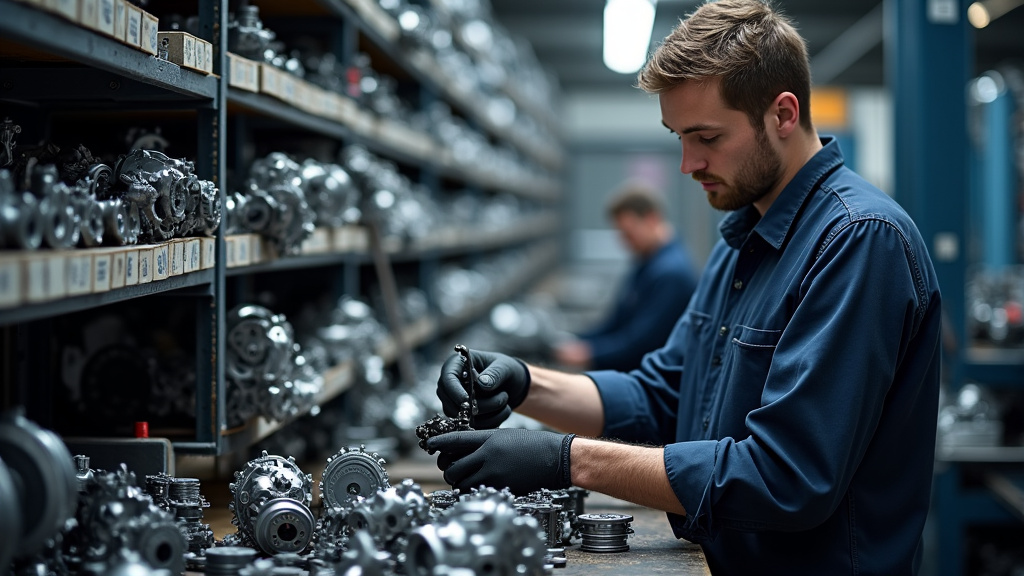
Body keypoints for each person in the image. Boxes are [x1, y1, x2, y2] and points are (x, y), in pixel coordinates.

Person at [426, 0, 942, 574]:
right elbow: (663, 395)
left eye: (706, 137)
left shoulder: (858, 241)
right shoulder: (741, 240)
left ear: (784, 114)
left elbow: (787, 476)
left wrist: (565, 460)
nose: (687, 163)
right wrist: (524, 382)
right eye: (677, 136)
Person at [554, 182, 699, 371]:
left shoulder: (672, 274)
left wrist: (589, 354)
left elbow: (643, 344)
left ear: (651, 219)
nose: (624, 243)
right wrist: (577, 341)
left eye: (628, 234)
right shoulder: (648, 261)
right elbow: (617, 322)